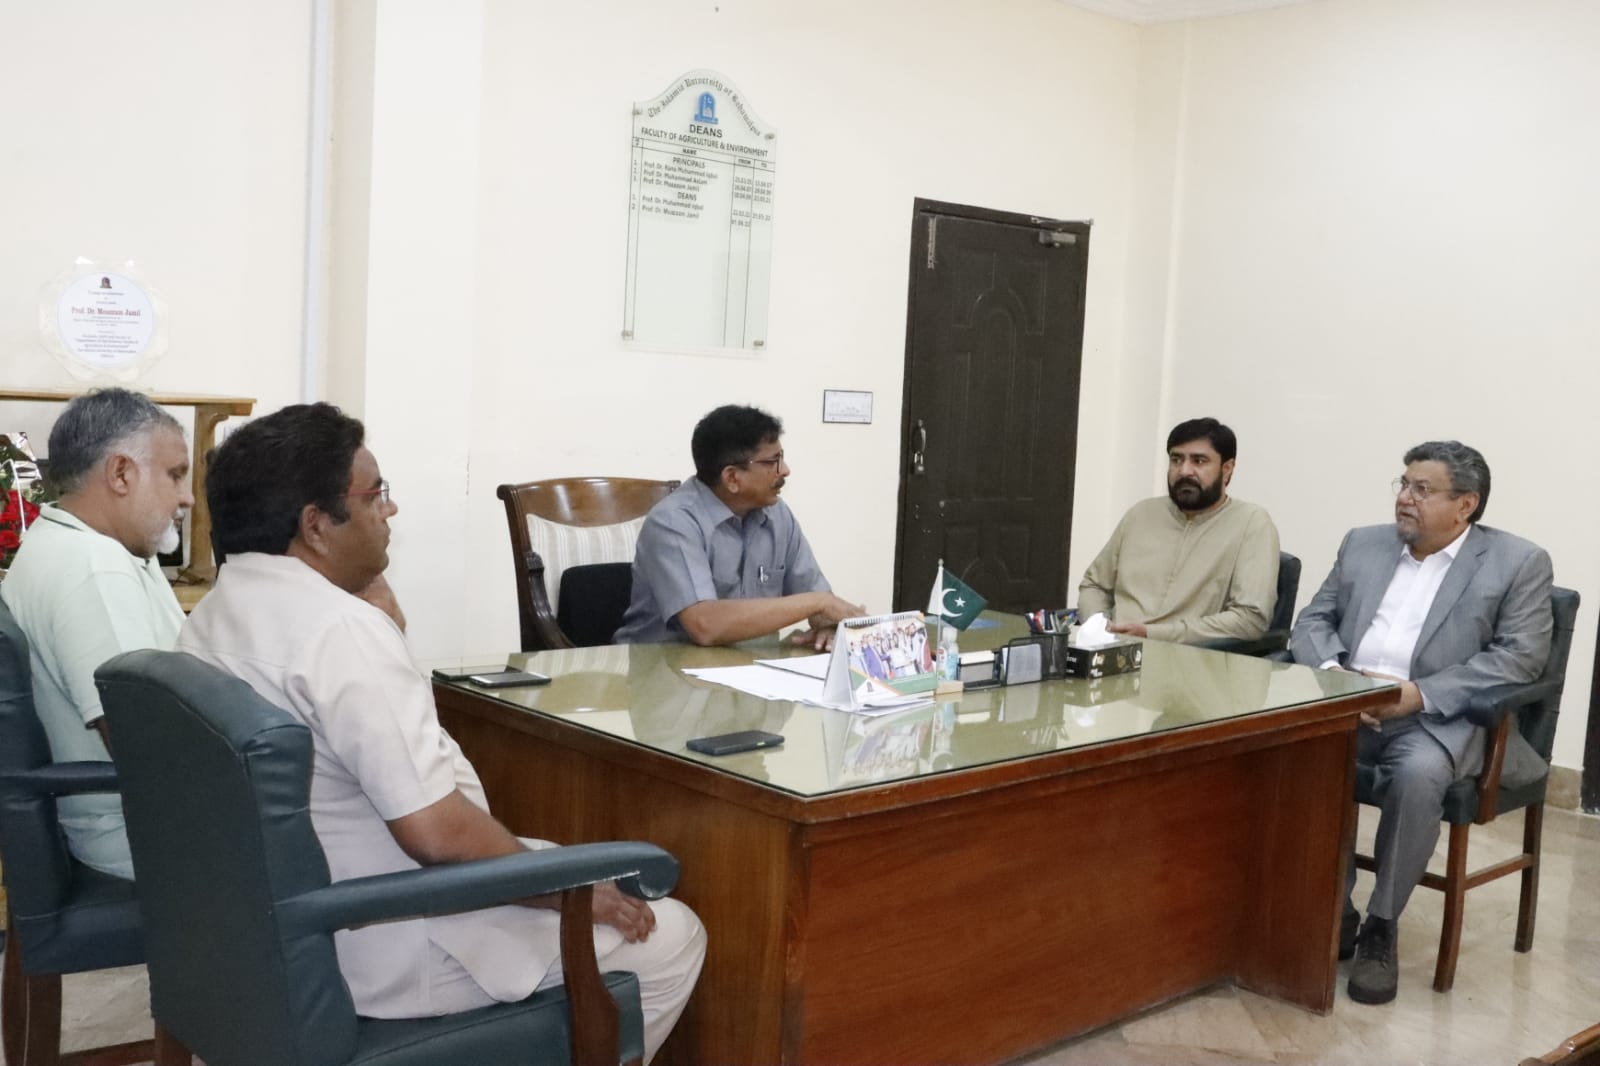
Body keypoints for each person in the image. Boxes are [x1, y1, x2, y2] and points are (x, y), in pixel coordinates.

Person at [178, 403, 704, 1060]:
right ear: (316, 525)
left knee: (563, 857)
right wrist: (569, 893)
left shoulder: (212, 614)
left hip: (270, 929)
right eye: (376, 495)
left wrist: (388, 631)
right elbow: (437, 835)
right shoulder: (338, 631)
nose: (390, 510)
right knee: (672, 934)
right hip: (387, 939)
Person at [1290, 440, 1552, 1006]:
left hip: (1439, 719)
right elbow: (1312, 621)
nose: (1404, 498)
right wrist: (1336, 677)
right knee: (1297, 755)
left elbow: (1520, 658)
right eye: (1403, 484)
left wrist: (1419, 695)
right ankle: (1335, 909)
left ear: (1465, 505)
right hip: (1350, 706)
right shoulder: (1362, 544)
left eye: (1422, 489)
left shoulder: (1518, 562)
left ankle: (1380, 929)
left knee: (1417, 775)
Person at [1, 388, 191, 880]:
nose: (187, 497)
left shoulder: (71, 542)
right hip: (141, 833)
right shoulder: (93, 566)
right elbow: (143, 744)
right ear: (121, 473)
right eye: (175, 475)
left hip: (132, 819)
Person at [615, 404, 863, 648]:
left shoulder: (777, 514)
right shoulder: (673, 522)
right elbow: (704, 625)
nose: (785, 471)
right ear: (732, 477)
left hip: (751, 666)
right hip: (662, 666)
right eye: (773, 462)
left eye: (782, 458)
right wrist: (816, 603)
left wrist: (829, 626)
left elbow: (819, 602)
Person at [1076, 417, 1280, 643]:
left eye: (1199, 461)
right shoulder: (1141, 514)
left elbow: (1250, 619)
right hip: (1112, 650)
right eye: (1176, 459)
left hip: (1187, 656)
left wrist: (1152, 633)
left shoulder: (1251, 523)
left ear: (1227, 468)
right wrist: (1098, 627)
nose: (1184, 471)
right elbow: (1094, 585)